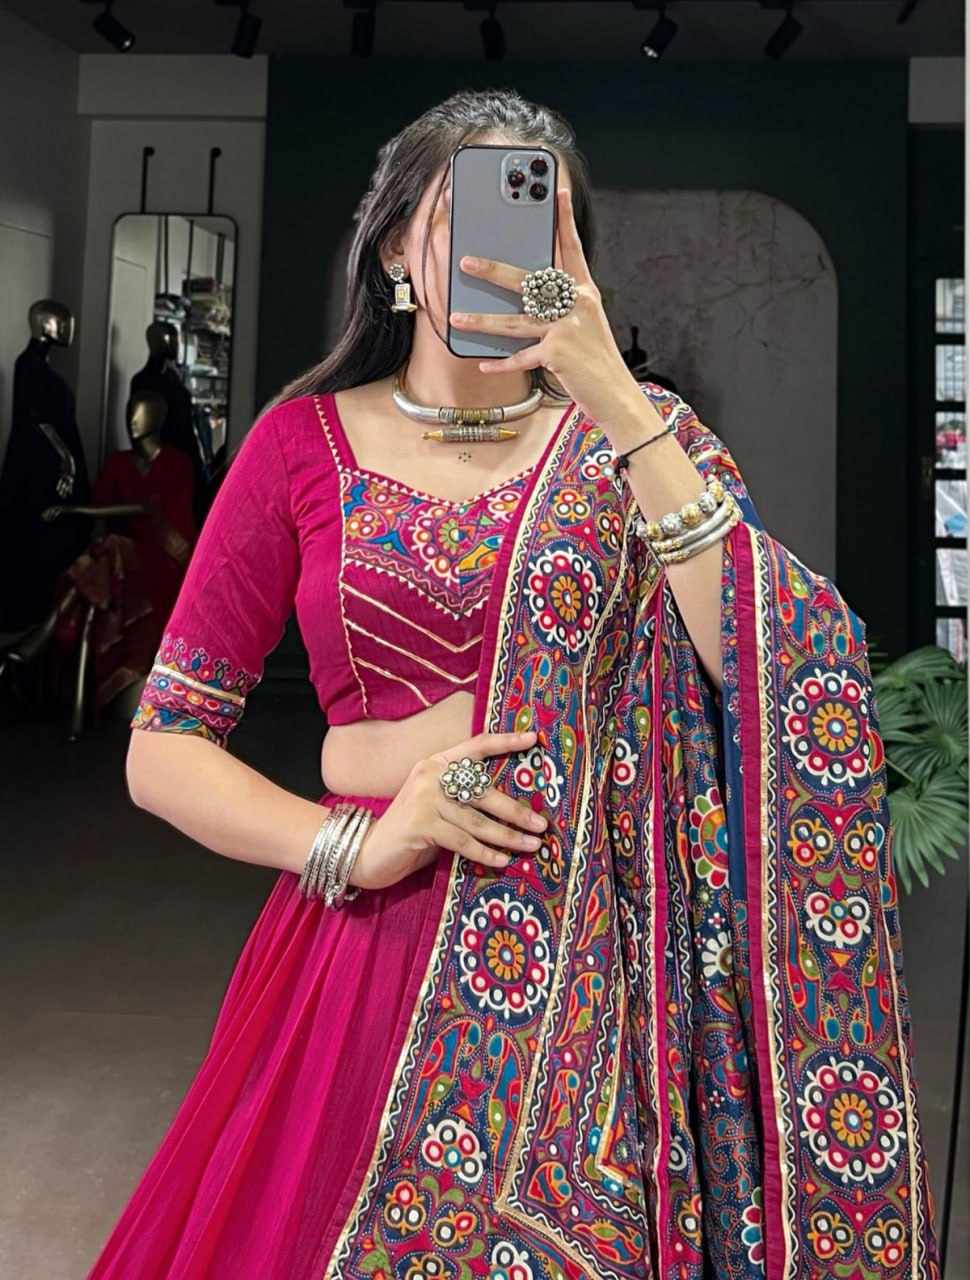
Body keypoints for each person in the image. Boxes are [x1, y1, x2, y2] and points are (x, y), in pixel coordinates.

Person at [86, 89, 940, 1279]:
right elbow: (164, 742)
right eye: (464, 214)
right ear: (396, 245)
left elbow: (764, 654)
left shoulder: (641, 439)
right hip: (370, 959)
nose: (500, 250)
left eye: (538, 223)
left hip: (601, 990)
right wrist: (351, 843)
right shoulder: (298, 446)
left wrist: (613, 395)